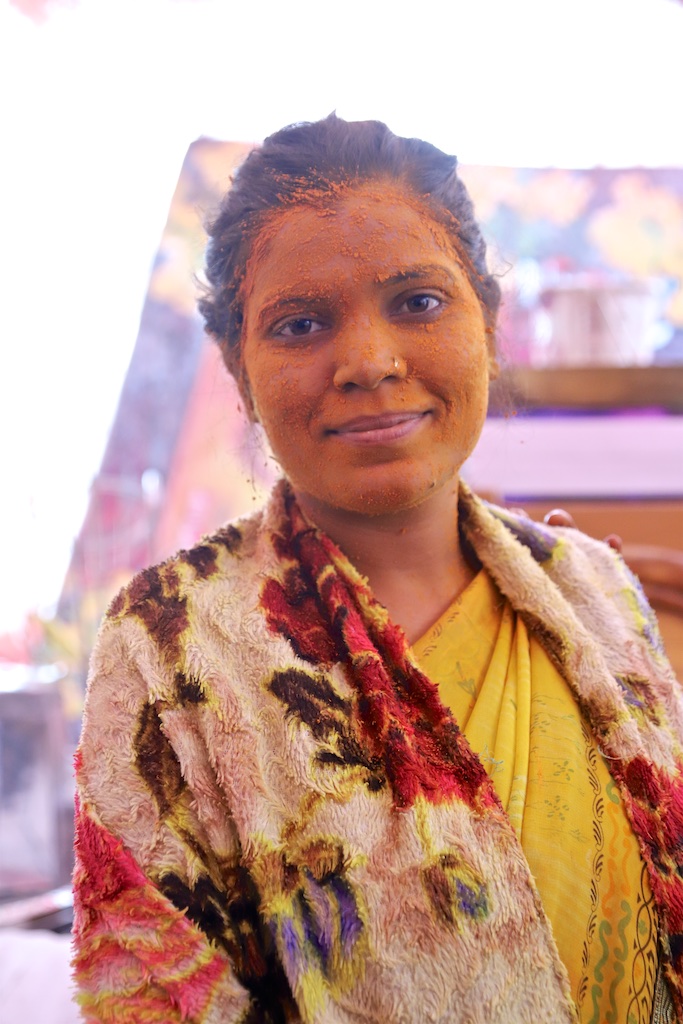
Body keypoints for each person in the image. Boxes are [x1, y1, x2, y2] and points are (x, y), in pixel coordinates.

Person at [71, 115, 683, 1024]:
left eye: (419, 302)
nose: (367, 361)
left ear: (488, 324)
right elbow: (152, 990)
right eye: (300, 323)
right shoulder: (171, 642)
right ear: (239, 373)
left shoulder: (596, 594)